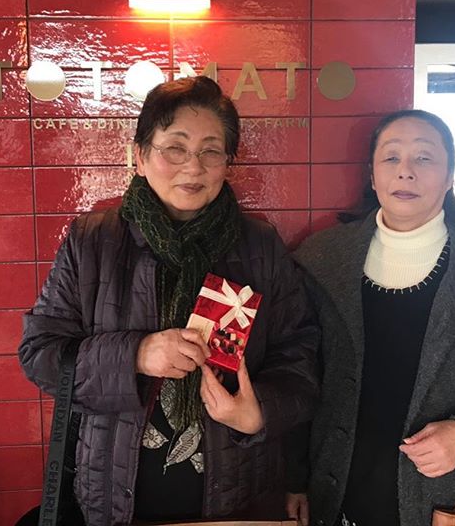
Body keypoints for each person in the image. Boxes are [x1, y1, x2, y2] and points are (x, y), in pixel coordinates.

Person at [19, 76, 319, 526]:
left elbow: (300, 356)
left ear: (227, 162)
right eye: (175, 148)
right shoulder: (93, 241)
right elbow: (41, 354)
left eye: (211, 151)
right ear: (140, 156)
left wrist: (260, 412)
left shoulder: (259, 245)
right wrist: (137, 355)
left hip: (236, 502)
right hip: (111, 499)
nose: (193, 167)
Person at [286, 109, 455, 526]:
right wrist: (295, 479)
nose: (405, 171)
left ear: (449, 177)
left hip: (450, 504)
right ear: (372, 175)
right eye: (391, 157)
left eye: (424, 158)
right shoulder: (323, 261)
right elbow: (300, 377)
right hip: (334, 495)